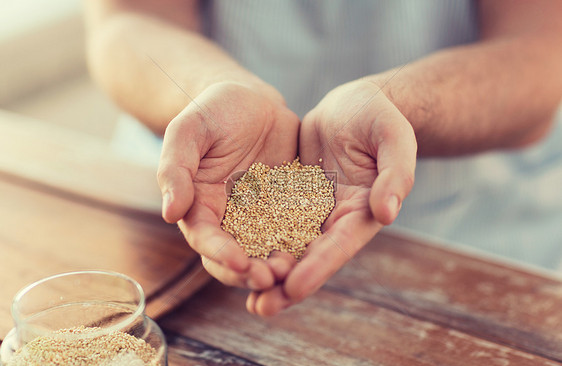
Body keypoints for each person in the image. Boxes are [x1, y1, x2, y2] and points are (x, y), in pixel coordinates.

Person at [85, 0, 562, 316]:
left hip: (473, 239)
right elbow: (127, 20)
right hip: (192, 198)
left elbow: (540, 50)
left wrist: (399, 102)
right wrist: (207, 91)